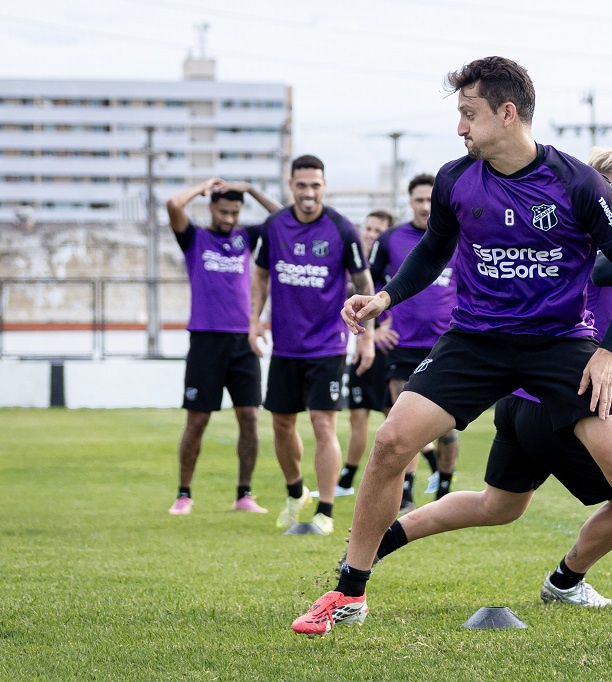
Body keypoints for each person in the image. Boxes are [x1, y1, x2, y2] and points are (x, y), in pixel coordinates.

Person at [292, 56, 612, 648]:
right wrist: (385, 297)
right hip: (475, 340)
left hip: (559, 344)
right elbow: (433, 252)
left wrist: (608, 352)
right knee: (393, 441)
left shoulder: (577, 183)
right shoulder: (455, 180)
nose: (460, 128)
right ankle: (349, 591)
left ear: (506, 112)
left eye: (468, 115)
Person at [249, 155, 375, 536]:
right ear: (291, 186)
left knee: (323, 422)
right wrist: (254, 320)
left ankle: (324, 511)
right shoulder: (273, 227)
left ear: (324, 186)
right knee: (281, 423)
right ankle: (295, 493)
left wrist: (365, 338)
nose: (308, 192)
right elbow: (260, 275)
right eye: (301, 185)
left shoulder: (341, 228)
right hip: (285, 346)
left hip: (328, 345)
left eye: (315, 185)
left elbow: (364, 285)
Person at [165, 177, 281, 516]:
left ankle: (244, 494)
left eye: (235, 211)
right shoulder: (195, 238)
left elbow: (282, 218)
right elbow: (173, 204)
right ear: (211, 207)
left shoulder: (246, 238)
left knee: (249, 416)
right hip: (205, 340)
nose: (229, 218)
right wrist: (202, 186)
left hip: (243, 340)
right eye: (223, 211)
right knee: (198, 420)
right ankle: (184, 494)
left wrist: (251, 190)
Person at [336, 209, 442, 500]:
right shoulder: (359, 263)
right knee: (358, 414)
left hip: (391, 350)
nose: (370, 234)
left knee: (398, 419)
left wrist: (381, 329)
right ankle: (347, 478)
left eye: (376, 230)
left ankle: (416, 481)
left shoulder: (403, 261)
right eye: (367, 228)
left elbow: (400, 300)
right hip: (367, 346)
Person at [371, 173, 459, 513]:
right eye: (419, 200)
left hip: (447, 345)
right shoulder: (391, 238)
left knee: (449, 427)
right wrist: (377, 327)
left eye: (430, 200)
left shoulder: (459, 236)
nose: (425, 206)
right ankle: (406, 496)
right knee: (402, 422)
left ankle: (445, 494)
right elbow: (370, 279)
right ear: (410, 201)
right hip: (403, 344)